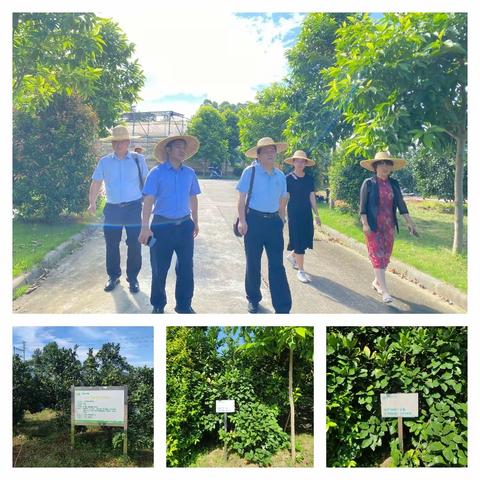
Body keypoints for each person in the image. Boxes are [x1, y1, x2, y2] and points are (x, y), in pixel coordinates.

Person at [138, 134, 201, 314]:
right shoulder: (156, 173)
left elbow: (193, 197)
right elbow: (148, 201)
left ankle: (184, 304)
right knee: (159, 268)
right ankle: (158, 304)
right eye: (178, 147)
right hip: (161, 227)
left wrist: (195, 222)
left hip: (184, 226)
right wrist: (145, 226)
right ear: (168, 150)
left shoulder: (189, 173)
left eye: (184, 147)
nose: (182, 150)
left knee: (186, 267)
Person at [88, 125, 148, 293]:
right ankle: (113, 276)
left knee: (134, 244)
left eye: (122, 141)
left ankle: (133, 278)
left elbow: (146, 180)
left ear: (128, 142)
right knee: (111, 245)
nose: (118, 145)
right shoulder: (104, 161)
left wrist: (150, 203)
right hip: (112, 209)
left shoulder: (138, 159)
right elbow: (96, 182)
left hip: (133, 208)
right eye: (115, 142)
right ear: (112, 143)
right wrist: (92, 202)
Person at [236, 137, 292, 314]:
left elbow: (283, 199)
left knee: (277, 265)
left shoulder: (280, 175)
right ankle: (253, 298)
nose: (270, 153)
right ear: (258, 155)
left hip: (274, 223)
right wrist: (243, 221)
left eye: (273, 150)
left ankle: (282, 306)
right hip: (254, 222)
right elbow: (241, 200)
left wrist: (281, 219)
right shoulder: (250, 172)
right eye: (265, 150)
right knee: (253, 263)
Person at [359, 151, 419, 303]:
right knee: (377, 256)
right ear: (375, 166)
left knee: (385, 256)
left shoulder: (394, 184)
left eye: (388, 164)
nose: (385, 167)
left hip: (389, 226)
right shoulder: (368, 183)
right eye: (381, 164)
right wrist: (365, 224)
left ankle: (377, 282)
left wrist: (410, 223)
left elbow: (401, 204)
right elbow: (363, 207)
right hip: (373, 226)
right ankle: (385, 291)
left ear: (391, 168)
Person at [284, 150, 321, 283]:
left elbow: (311, 196)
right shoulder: (288, 178)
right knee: (299, 239)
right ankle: (301, 270)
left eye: (302, 161)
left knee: (306, 237)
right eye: (297, 161)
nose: (300, 163)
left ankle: (292, 256)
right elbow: (285, 197)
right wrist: (282, 213)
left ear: (306, 163)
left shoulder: (309, 179)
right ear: (293, 162)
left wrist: (316, 214)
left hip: (306, 213)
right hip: (294, 213)